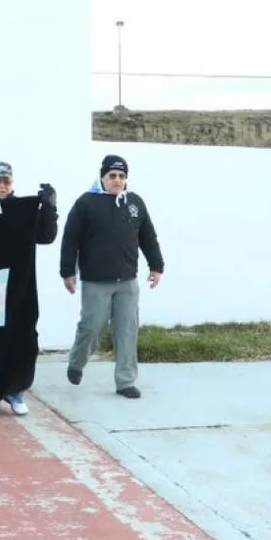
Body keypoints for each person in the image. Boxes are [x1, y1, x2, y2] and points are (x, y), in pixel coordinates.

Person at [59, 154, 164, 399]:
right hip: (96, 281)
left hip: (127, 281)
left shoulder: (134, 202)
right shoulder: (86, 203)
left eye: (121, 176)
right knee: (91, 327)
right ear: (103, 177)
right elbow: (70, 239)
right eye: (112, 176)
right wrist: (67, 272)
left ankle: (125, 381)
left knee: (127, 330)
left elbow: (148, 237)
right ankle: (76, 362)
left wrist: (156, 266)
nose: (117, 181)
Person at [0, 161, 59, 417]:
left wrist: (49, 208)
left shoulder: (24, 209)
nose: (1, 186)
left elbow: (46, 236)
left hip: (20, 285)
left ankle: (16, 390)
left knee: (22, 336)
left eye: (6, 182)